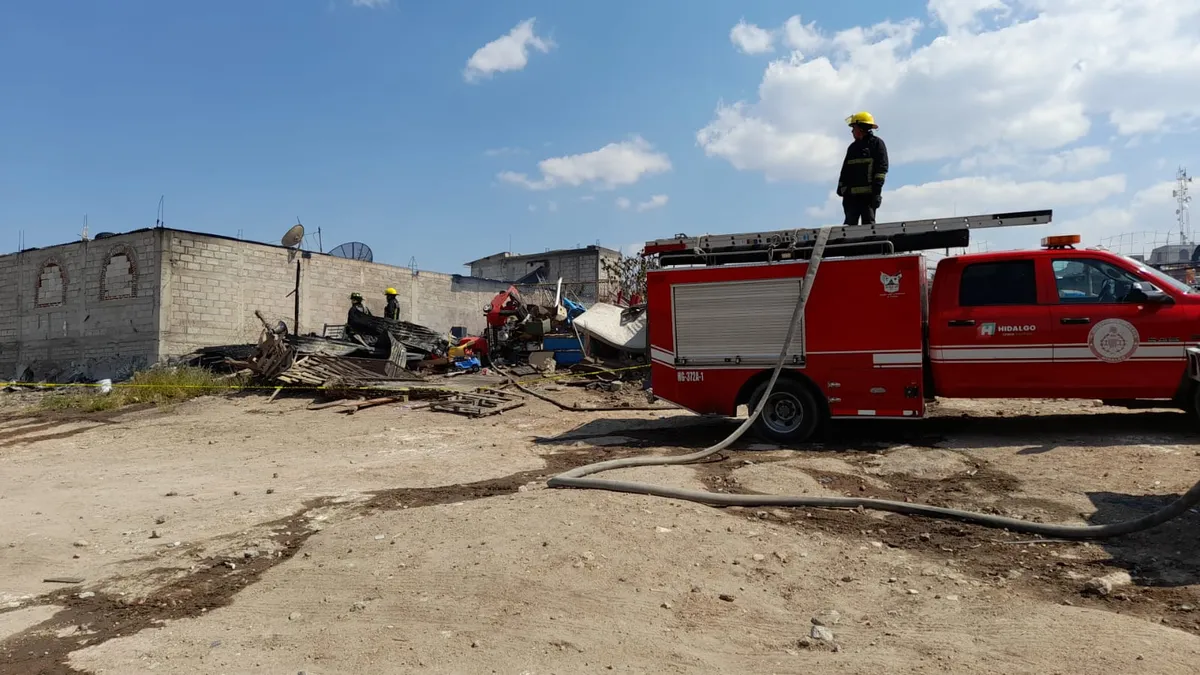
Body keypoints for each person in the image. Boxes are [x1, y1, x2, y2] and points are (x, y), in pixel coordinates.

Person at [837, 111, 889, 226]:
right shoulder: (852, 147)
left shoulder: (877, 144)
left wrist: (876, 193)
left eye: (853, 128)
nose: (852, 131)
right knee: (850, 228)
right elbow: (845, 170)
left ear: (860, 128)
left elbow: (881, 171)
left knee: (868, 227)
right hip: (851, 198)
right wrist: (841, 187)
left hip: (868, 198)